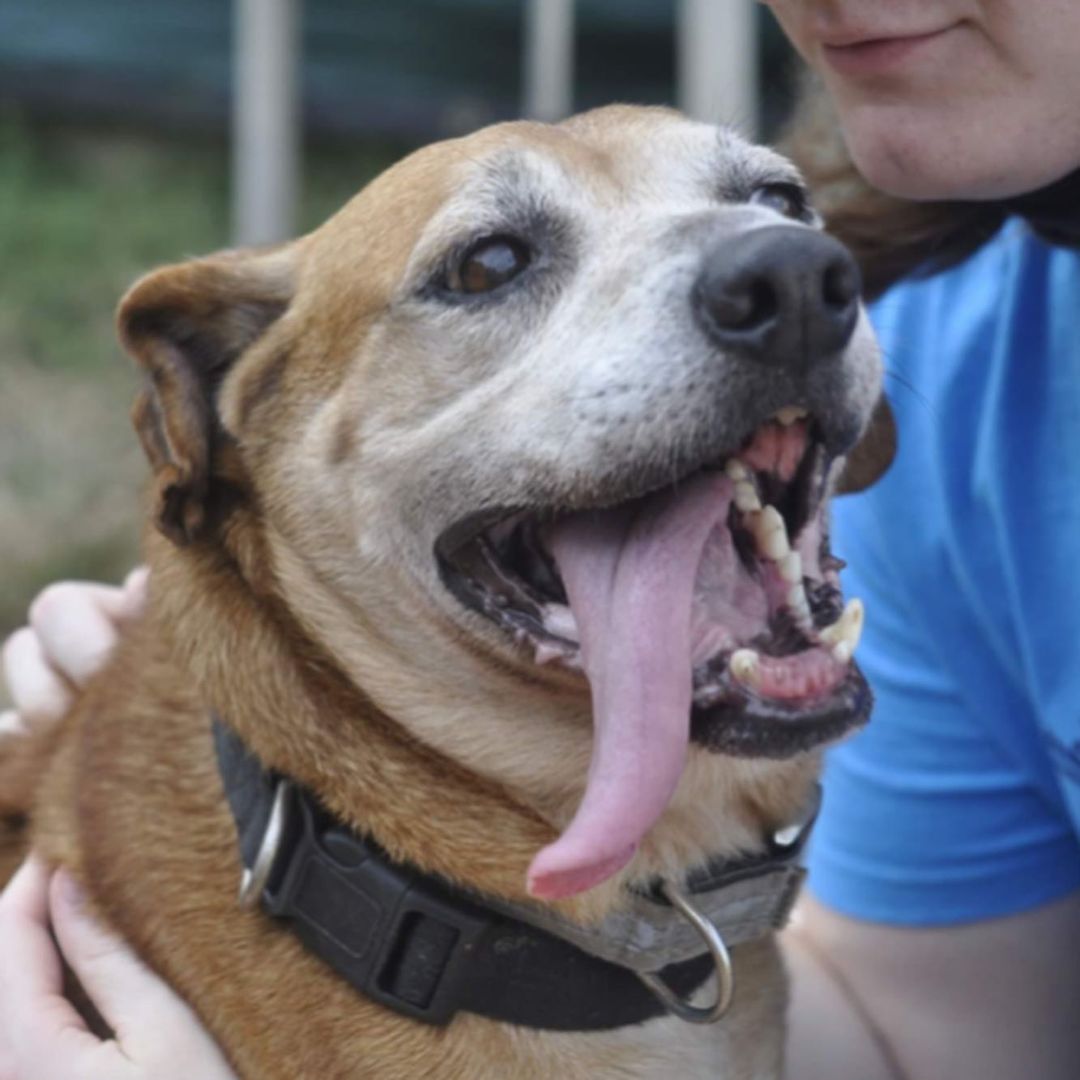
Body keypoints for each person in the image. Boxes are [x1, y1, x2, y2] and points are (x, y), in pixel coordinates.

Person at [3, 2, 1080, 1076]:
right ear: (239, 443)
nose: (776, 275)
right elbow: (925, 1034)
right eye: (494, 263)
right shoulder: (976, 362)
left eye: (769, 207)